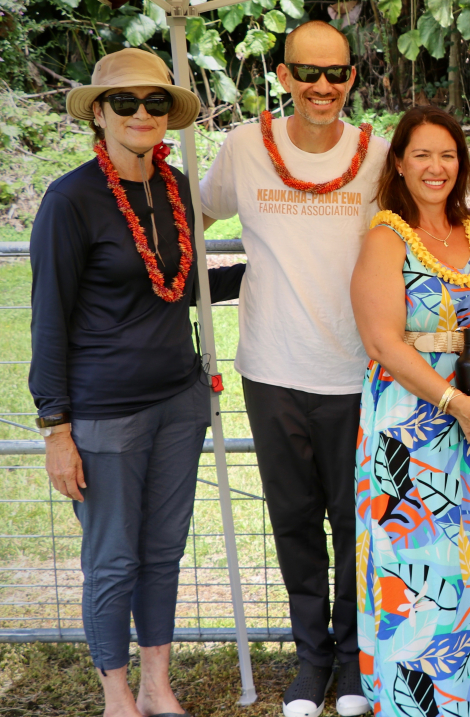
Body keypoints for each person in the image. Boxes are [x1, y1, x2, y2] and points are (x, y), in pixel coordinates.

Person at [29, 48, 243, 717]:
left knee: (162, 551)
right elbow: (48, 319)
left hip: (179, 400)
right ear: (99, 112)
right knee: (113, 558)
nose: (141, 114)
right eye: (125, 102)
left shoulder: (175, 188)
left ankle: (156, 685)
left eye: (155, 103)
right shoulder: (70, 200)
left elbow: (181, 285)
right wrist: (56, 429)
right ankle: (116, 694)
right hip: (104, 413)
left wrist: (278, 266)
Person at [200, 19, 389, 717]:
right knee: (294, 522)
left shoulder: (378, 155)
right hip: (272, 368)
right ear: (283, 76)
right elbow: (192, 215)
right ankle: (311, 660)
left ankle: (355, 659)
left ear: (351, 78)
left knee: (356, 524)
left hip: (359, 370)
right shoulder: (244, 147)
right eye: (307, 72)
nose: (321, 86)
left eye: (335, 73)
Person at [349, 105, 470, 716]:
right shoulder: (385, 238)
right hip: (411, 423)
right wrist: (453, 402)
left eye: (448, 155)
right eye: (422, 155)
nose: (436, 167)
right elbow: (384, 342)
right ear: (400, 165)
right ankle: (418, 702)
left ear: (463, 164)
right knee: (416, 561)